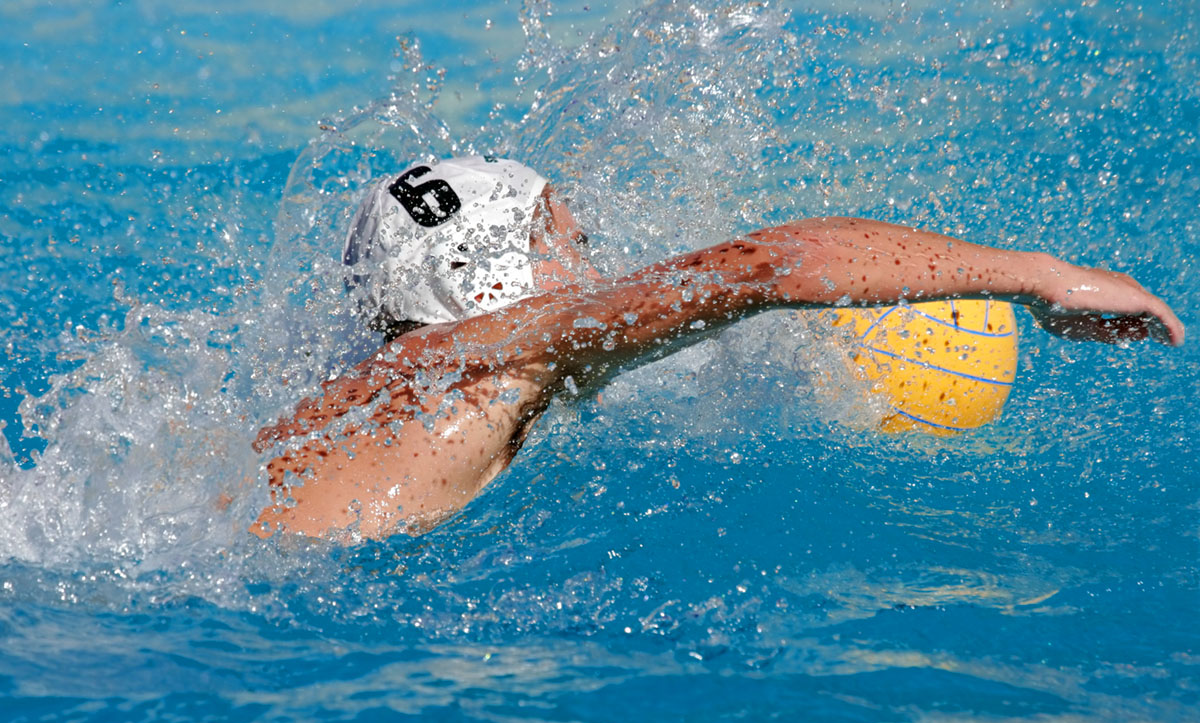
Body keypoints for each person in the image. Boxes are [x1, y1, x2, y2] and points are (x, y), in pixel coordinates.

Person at [250, 156, 1184, 541]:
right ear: (498, 278)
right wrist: (1038, 274)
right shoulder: (504, 360)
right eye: (565, 238)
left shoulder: (377, 379)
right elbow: (771, 263)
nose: (589, 258)